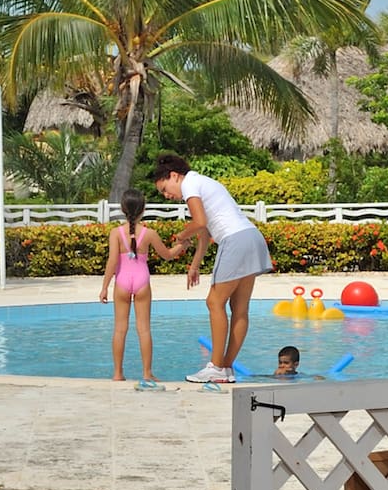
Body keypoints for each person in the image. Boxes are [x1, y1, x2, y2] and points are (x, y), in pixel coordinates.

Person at [154, 152, 273, 384]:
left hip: (235, 240)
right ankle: (226, 369)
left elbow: (198, 224)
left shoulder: (189, 185)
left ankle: (216, 366)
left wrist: (180, 235)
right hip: (251, 237)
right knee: (239, 308)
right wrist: (195, 265)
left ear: (174, 176)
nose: (167, 195)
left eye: (164, 189)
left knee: (214, 302)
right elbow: (205, 233)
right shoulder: (202, 182)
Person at [98, 188, 171, 383]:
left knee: (120, 329)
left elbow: (112, 262)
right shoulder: (149, 234)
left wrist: (105, 286)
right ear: (143, 209)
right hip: (142, 282)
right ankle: (147, 373)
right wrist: (183, 245)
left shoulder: (115, 233)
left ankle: (117, 374)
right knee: (144, 329)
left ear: (123, 209)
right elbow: (167, 255)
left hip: (121, 282)